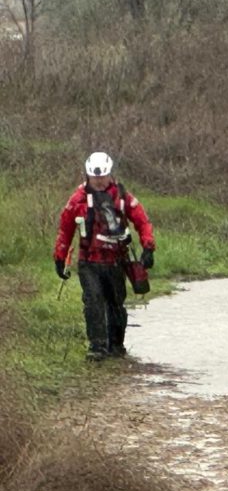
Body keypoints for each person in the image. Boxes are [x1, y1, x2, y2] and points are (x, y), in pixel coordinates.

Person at [52, 152, 156, 361]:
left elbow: (142, 221)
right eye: (95, 177)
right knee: (93, 301)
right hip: (89, 261)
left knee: (116, 302)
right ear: (88, 175)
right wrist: (60, 257)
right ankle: (97, 347)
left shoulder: (123, 197)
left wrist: (148, 247)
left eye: (103, 176)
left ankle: (116, 346)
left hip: (116, 261)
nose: (99, 181)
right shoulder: (77, 200)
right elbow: (65, 229)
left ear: (110, 174)